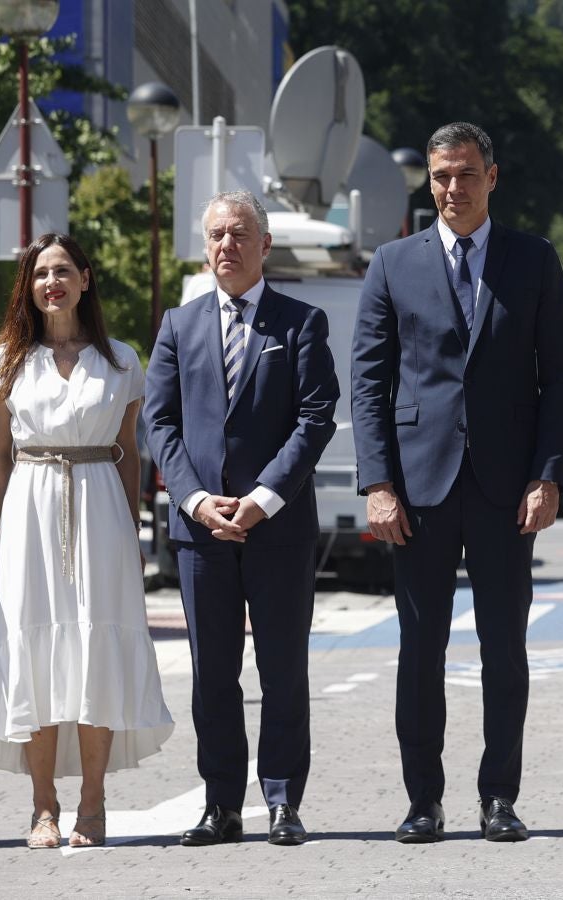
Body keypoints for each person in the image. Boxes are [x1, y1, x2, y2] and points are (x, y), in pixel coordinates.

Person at [351, 122, 563, 844]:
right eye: (442, 175)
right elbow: (369, 382)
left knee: (503, 650)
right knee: (420, 651)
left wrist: (548, 476)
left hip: (507, 489)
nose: (453, 187)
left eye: (467, 174)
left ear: (493, 176)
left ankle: (499, 799)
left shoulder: (533, 260)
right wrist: (377, 482)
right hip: (417, 491)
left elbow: (559, 380)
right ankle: (424, 800)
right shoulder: (392, 263)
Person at [144, 191, 339, 847]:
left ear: (265, 246)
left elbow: (316, 420)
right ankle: (221, 804)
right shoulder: (178, 324)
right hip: (201, 531)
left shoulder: (301, 323)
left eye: (239, 233)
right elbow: (160, 422)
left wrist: (263, 498)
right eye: (216, 234)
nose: (226, 244)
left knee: (282, 668)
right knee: (213, 675)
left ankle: (283, 801)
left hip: (276, 528)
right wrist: (195, 499)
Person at [0, 234, 174, 848]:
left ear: (86, 279)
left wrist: (134, 531)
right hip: (30, 514)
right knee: (33, 653)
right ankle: (43, 807)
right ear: (28, 287)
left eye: (63, 271)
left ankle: (93, 805)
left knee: (96, 651)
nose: (51, 282)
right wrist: (3, 534)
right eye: (40, 274)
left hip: (101, 512)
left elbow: (129, 455)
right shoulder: (7, 359)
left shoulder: (121, 360)